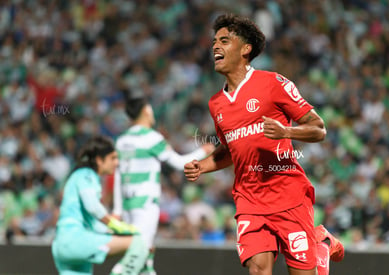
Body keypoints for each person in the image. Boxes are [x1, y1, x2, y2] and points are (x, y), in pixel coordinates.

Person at [184, 14, 344, 275]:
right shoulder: (216, 104)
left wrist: (286, 132)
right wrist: (201, 166)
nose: (215, 46)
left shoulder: (273, 83)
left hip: (288, 196)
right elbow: (229, 151)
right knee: (259, 270)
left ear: (245, 49)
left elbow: (319, 129)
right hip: (249, 201)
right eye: (214, 41)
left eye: (224, 41)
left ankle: (321, 242)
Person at [112, 90, 214, 275]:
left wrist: (117, 210)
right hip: (145, 205)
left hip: (127, 207)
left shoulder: (122, 141)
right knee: (138, 254)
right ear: (146, 111)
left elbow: (118, 176)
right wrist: (203, 151)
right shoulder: (152, 138)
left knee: (145, 259)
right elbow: (179, 163)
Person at [52, 135, 149, 275]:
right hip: (75, 239)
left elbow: (92, 222)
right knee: (138, 243)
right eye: (113, 158)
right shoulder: (86, 174)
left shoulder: (79, 176)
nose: (117, 162)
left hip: (63, 244)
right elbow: (92, 206)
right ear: (99, 160)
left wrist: (111, 231)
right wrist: (114, 224)